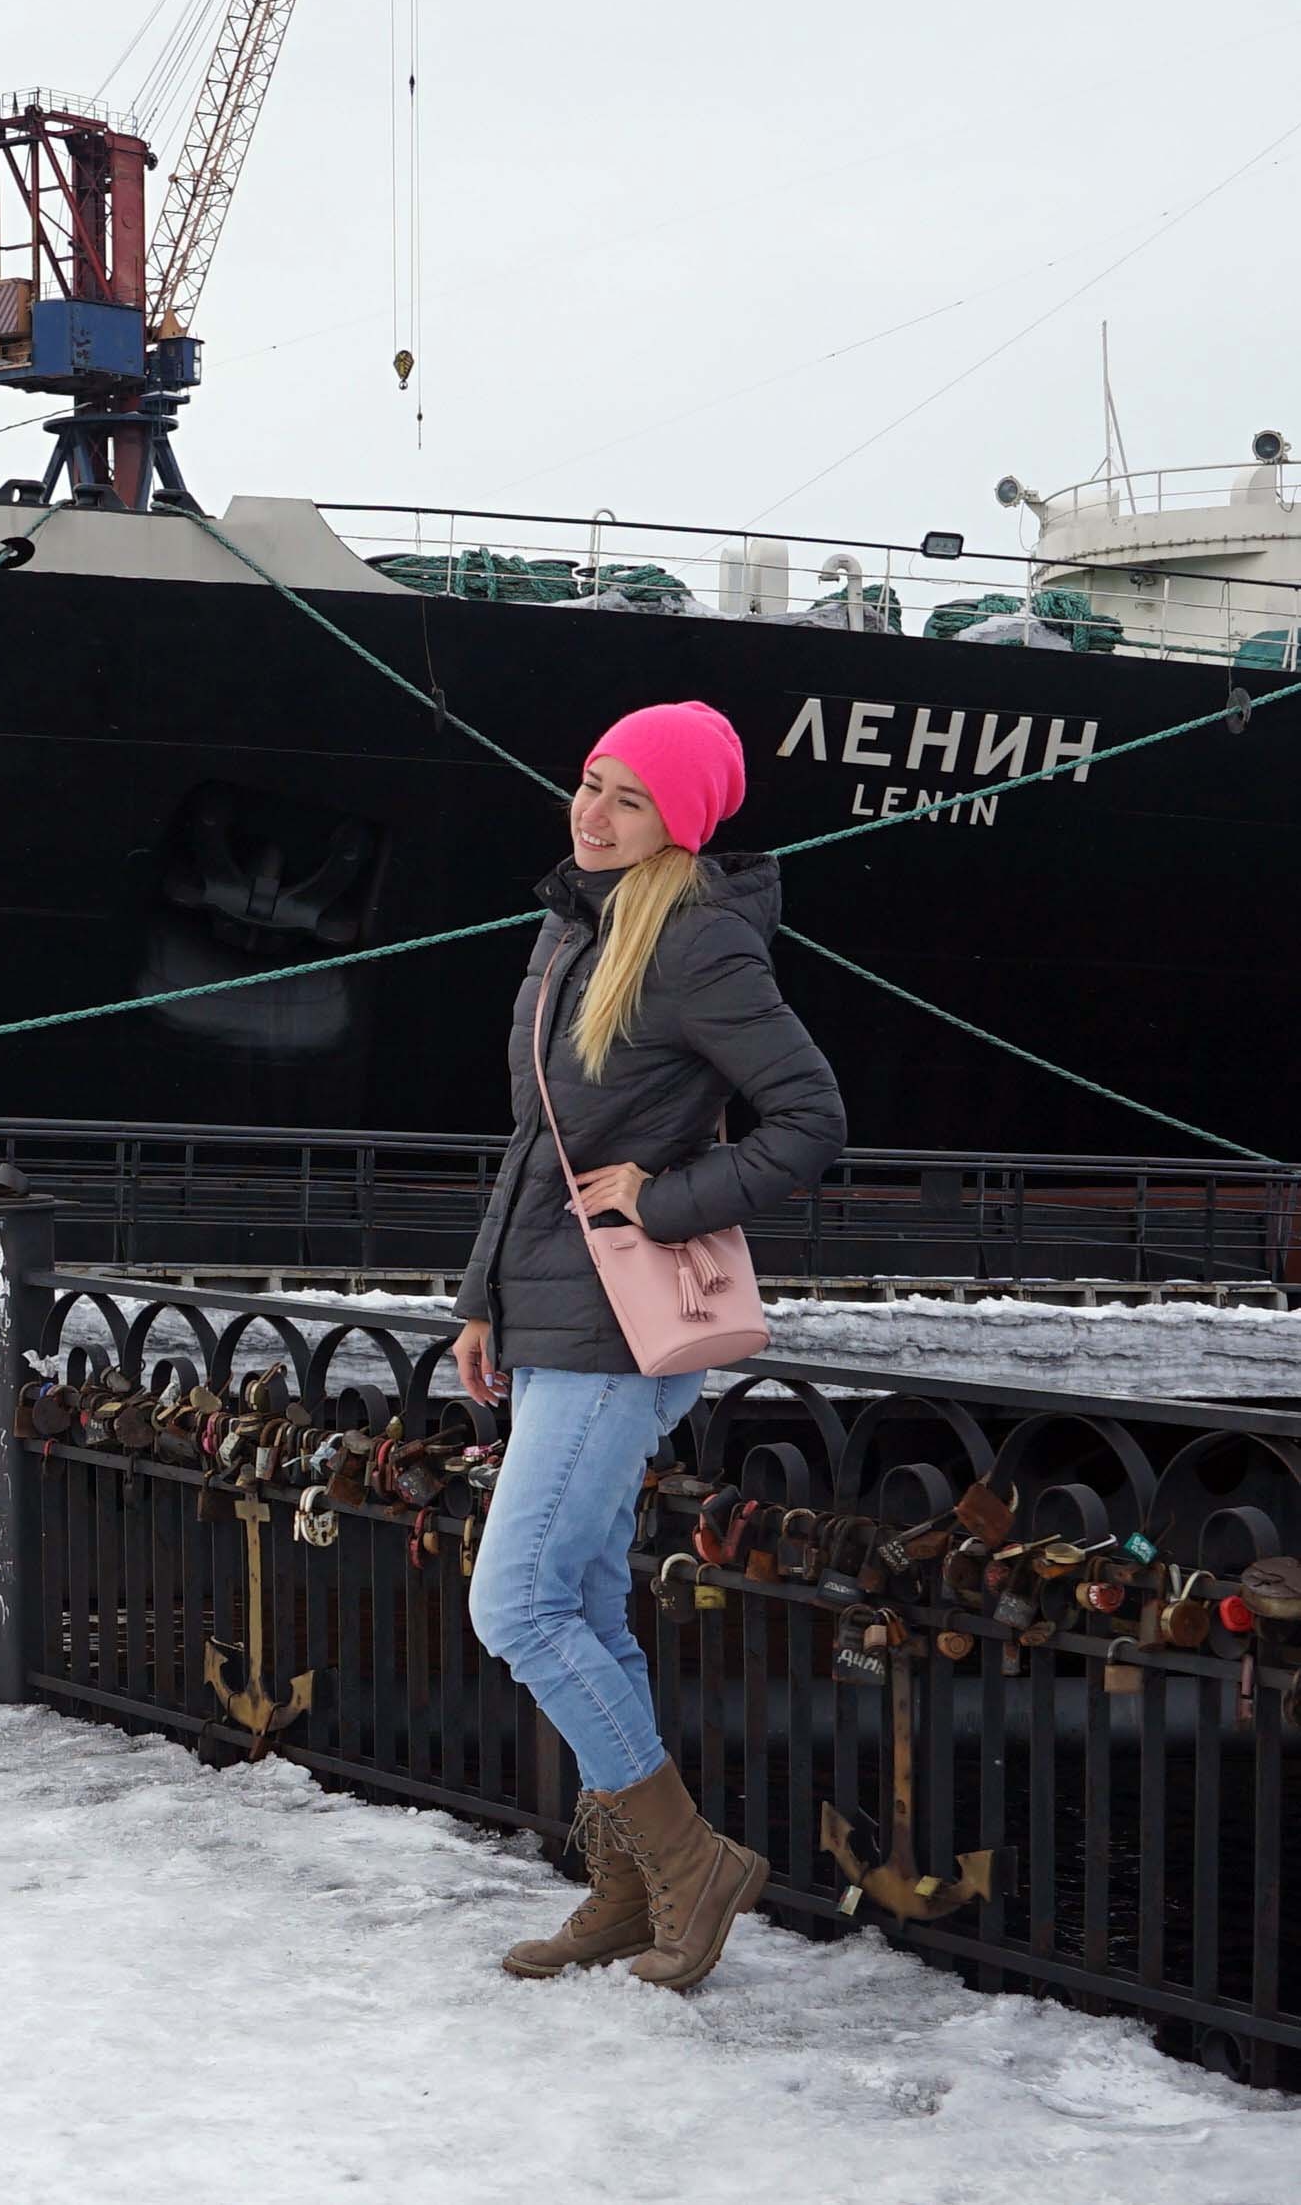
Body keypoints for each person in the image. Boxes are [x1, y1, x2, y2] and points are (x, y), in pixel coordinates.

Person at [454, 700, 844, 1994]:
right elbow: (534, 1141)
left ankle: (688, 1861)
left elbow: (808, 1116)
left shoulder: (694, 937)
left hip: (626, 1326)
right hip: (557, 1313)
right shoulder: (576, 923)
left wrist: (661, 1198)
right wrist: (479, 1302)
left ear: (675, 819)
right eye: (586, 778)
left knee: (511, 1601)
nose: (592, 807)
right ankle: (625, 1884)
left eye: (625, 794)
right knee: (575, 1601)